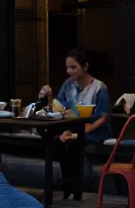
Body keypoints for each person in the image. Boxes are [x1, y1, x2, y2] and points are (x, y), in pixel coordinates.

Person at [41, 48, 111, 194]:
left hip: (95, 131)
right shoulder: (68, 84)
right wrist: (48, 97)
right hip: (72, 129)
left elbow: (103, 118)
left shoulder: (99, 88)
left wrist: (78, 134)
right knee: (57, 143)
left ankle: (76, 185)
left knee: (72, 144)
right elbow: (59, 108)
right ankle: (68, 184)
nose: (70, 71)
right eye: (67, 68)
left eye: (74, 67)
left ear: (85, 67)